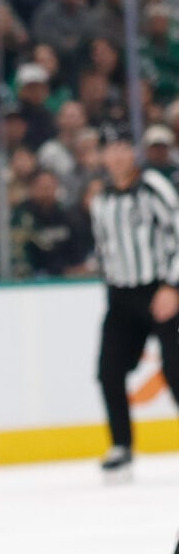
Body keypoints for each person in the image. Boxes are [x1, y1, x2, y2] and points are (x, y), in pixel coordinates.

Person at [86, 133, 179, 479]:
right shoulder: (101, 199)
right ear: (104, 156)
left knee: (175, 371)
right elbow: (105, 248)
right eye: (111, 149)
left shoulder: (155, 188)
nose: (119, 156)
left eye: (125, 148)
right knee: (109, 370)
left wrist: (172, 285)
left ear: (134, 153)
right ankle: (121, 445)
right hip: (122, 296)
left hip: (161, 290)